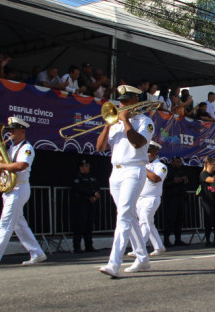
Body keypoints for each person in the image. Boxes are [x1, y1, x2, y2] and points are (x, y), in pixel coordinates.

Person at [97, 85, 155, 278]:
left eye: (125, 101)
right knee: (128, 215)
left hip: (133, 170)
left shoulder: (145, 121)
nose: (120, 104)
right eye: (120, 101)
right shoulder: (115, 123)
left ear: (135, 103)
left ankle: (114, 263)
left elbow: (138, 143)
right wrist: (108, 124)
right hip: (116, 172)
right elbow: (100, 147)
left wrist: (126, 122)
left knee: (123, 215)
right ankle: (143, 258)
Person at [0, 117, 46, 268]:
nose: (11, 133)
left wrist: (2, 166)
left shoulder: (27, 147)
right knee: (19, 225)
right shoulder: (11, 148)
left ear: (22, 130)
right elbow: (7, 165)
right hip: (11, 189)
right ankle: (37, 253)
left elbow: (21, 165)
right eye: (10, 130)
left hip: (19, 188)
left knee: (5, 223)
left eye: (13, 130)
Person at [136, 142, 168, 255]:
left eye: (151, 152)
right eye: (147, 151)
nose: (148, 154)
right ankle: (159, 246)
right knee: (149, 223)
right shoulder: (143, 165)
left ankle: (139, 248)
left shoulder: (161, 166)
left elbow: (156, 178)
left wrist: (143, 167)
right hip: (140, 198)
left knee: (144, 221)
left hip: (151, 198)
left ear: (156, 152)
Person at [72, 160, 100, 253]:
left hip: (91, 203)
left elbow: (97, 187)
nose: (87, 167)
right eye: (85, 166)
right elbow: (78, 188)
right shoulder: (77, 177)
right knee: (80, 226)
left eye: (88, 165)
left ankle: (89, 246)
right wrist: (91, 193)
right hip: (81, 203)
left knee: (89, 225)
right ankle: (77, 247)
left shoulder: (91, 177)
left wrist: (95, 196)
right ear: (81, 167)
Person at [163, 156, 190, 247]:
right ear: (172, 162)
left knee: (179, 219)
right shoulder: (168, 171)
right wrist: (175, 182)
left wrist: (185, 180)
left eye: (179, 161)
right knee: (170, 219)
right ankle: (166, 240)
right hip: (171, 198)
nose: (178, 163)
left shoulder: (181, 171)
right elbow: (164, 184)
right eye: (176, 161)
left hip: (180, 197)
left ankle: (178, 239)